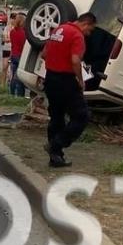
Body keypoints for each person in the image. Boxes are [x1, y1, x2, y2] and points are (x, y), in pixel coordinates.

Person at [40, 12, 97, 167]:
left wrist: (56, 61)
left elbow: (44, 54)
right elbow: (75, 60)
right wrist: (80, 78)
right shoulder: (77, 35)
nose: (88, 33)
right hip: (66, 81)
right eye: (90, 30)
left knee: (56, 118)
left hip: (50, 79)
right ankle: (56, 145)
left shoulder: (58, 30)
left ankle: (55, 158)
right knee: (81, 116)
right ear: (86, 24)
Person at [9, 13, 27, 97]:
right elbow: (24, 45)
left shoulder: (12, 32)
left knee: (13, 75)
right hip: (20, 55)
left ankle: (12, 93)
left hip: (14, 54)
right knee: (20, 77)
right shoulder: (23, 33)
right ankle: (20, 94)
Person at [0, 13, 14, 88]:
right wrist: (9, 39)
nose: (13, 20)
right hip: (6, 48)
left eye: (14, 19)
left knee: (12, 68)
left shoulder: (16, 28)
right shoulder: (6, 28)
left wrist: (9, 39)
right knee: (4, 67)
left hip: (13, 49)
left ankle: (10, 83)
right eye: (12, 18)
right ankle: (2, 84)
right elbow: (4, 39)